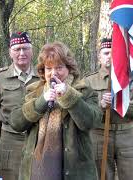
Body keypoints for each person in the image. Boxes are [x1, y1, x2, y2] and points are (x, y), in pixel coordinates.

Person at [8, 42, 103, 180]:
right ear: (43, 71)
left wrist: (69, 96)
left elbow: (91, 122)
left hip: (76, 172)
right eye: (48, 68)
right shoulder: (33, 92)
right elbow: (15, 123)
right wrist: (41, 102)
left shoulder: (84, 90)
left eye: (59, 67)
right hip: (37, 171)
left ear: (69, 69)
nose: (53, 73)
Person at [84, 38, 133, 180]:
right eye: (106, 53)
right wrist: (100, 105)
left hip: (125, 134)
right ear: (99, 57)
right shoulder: (88, 81)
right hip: (98, 135)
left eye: (114, 53)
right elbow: (84, 112)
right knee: (100, 176)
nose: (110, 56)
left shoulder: (130, 80)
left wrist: (119, 103)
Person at [0, 32, 39, 180]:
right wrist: (6, 133)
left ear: (32, 50)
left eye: (26, 48)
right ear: (10, 52)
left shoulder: (42, 76)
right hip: (10, 142)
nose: (22, 53)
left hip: (37, 139)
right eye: (17, 49)